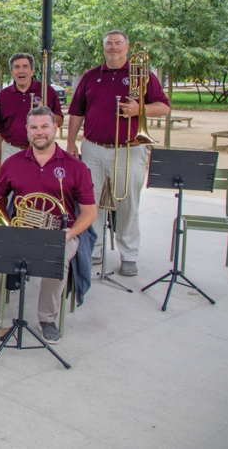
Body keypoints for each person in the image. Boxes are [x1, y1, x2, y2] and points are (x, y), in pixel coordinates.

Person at [0, 106, 96, 345]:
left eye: (45, 126)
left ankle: (47, 319)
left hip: (59, 231)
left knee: (58, 256)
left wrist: (71, 233)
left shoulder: (75, 166)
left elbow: (89, 212)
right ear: (27, 130)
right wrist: (3, 222)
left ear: (55, 128)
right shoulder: (14, 162)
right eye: (34, 127)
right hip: (21, 229)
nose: (40, 132)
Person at [65, 30, 170, 276]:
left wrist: (139, 109)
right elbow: (77, 112)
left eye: (118, 44)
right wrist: (70, 143)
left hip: (129, 149)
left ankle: (129, 255)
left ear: (127, 47)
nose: (113, 48)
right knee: (90, 202)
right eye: (109, 44)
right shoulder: (91, 76)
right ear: (104, 48)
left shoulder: (142, 75)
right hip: (93, 148)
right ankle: (94, 249)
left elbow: (163, 107)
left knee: (127, 204)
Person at [0, 53, 63, 179]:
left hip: (40, 149)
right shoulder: (3, 96)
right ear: (12, 72)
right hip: (10, 149)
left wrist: (47, 112)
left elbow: (60, 121)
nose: (21, 71)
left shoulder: (47, 91)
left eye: (25, 67)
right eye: (17, 67)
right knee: (9, 192)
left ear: (32, 71)